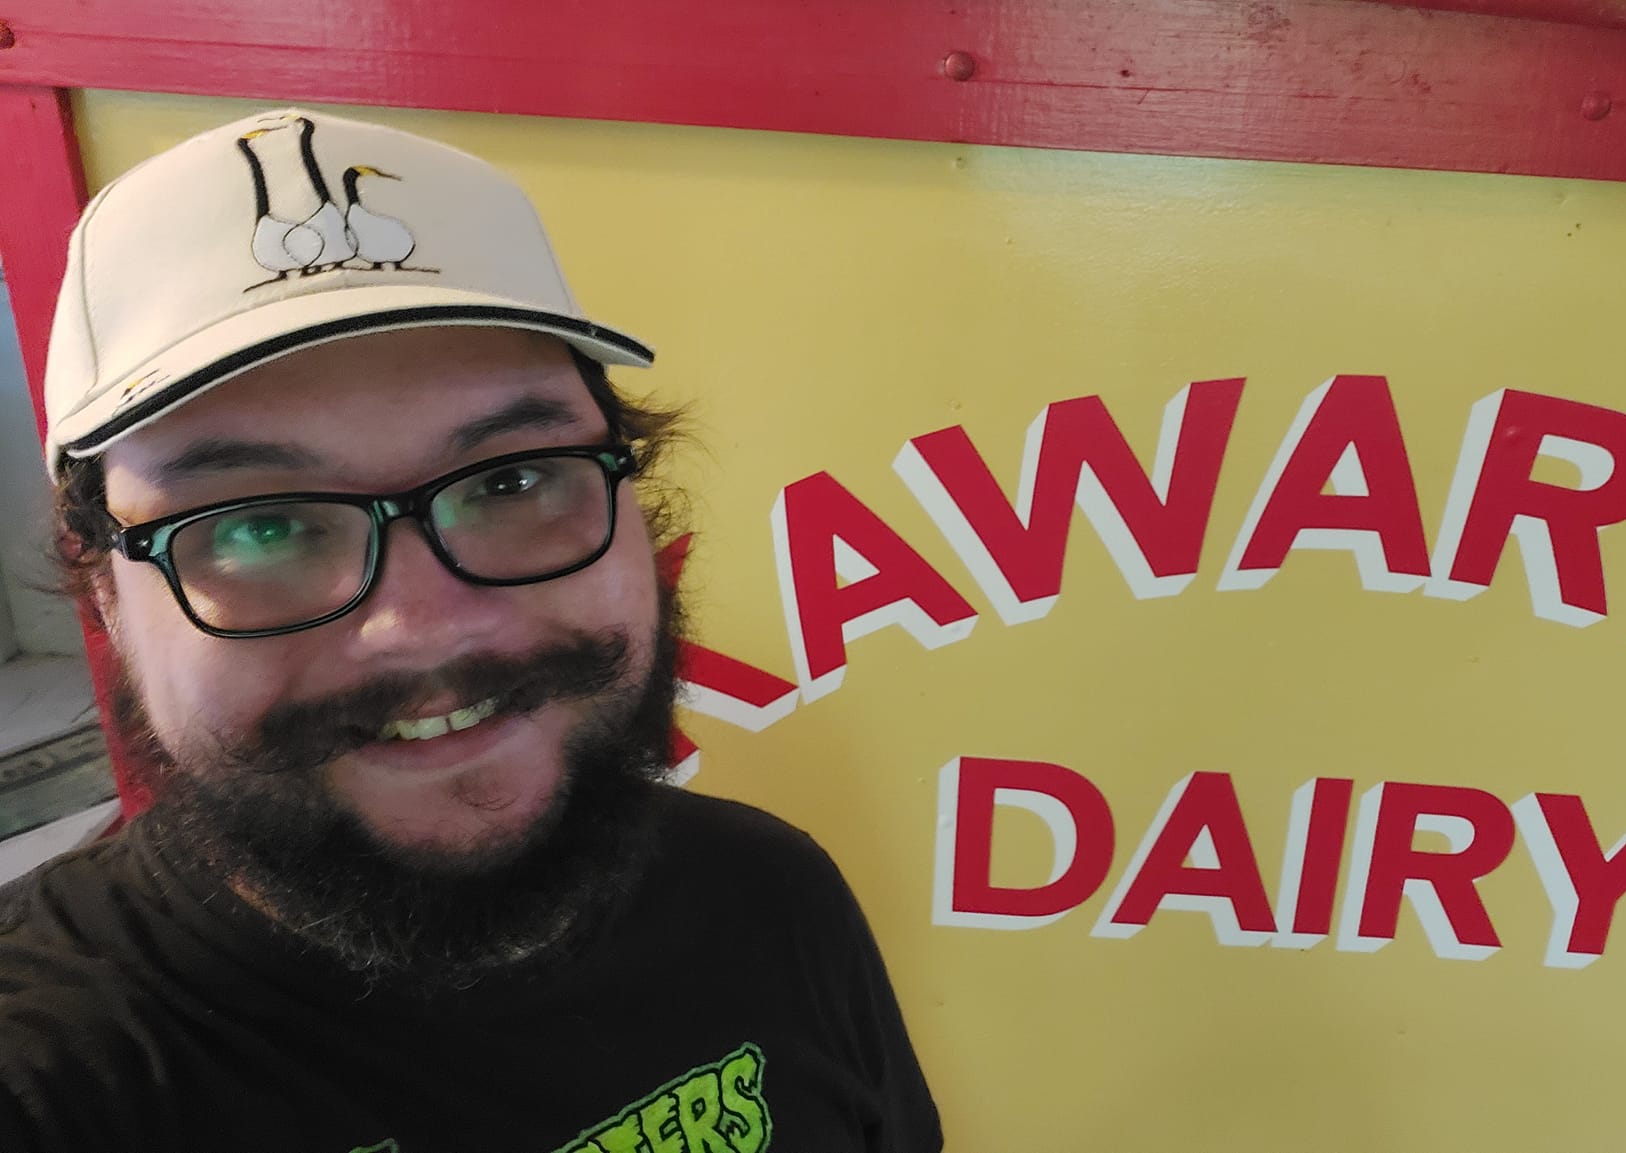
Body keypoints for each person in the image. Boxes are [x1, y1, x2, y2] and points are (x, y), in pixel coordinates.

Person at [0, 108, 943, 1153]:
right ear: (103, 597)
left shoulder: (770, 896)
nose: (422, 627)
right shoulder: (51, 1077)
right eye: (259, 525)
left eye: (510, 478)